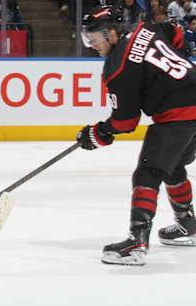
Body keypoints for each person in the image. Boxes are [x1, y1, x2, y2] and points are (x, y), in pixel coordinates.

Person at [78, 5, 196, 266]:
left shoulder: (117, 67)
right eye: (87, 39)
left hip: (180, 112)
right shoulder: (146, 29)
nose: (91, 45)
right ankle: (188, 224)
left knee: (148, 173)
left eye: (94, 39)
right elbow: (177, 34)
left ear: (111, 33)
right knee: (172, 165)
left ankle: (137, 242)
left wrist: (99, 133)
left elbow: (125, 121)